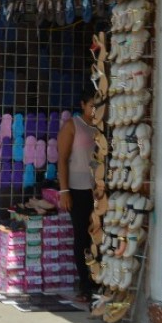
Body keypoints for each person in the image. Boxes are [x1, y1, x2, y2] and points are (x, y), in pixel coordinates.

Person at [57, 87, 98, 302]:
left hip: (97, 190)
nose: (95, 110)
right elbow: (62, 160)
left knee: (97, 236)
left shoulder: (100, 128)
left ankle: (97, 280)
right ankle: (85, 285)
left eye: (98, 106)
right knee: (81, 237)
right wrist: (64, 191)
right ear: (83, 105)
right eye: (92, 106)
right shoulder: (72, 126)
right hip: (77, 189)